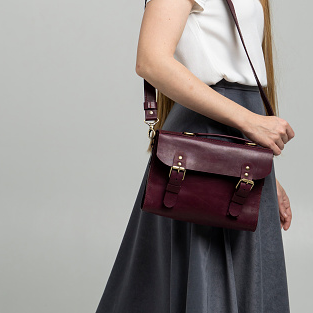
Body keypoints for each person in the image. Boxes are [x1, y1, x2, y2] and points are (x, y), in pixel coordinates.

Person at [96, 0, 295, 312]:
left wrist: (267, 175)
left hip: (238, 151)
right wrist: (248, 121)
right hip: (206, 145)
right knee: (208, 279)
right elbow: (151, 61)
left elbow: (240, 60)